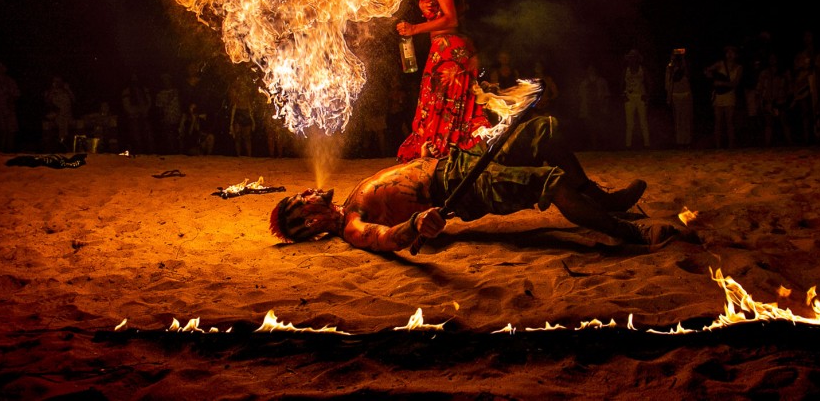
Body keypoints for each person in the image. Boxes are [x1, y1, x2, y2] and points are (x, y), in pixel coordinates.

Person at [269, 113, 675, 251]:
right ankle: (630, 233)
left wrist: (425, 156)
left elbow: (403, 179)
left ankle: (602, 201)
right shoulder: (352, 225)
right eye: (300, 201)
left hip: (461, 161)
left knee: (544, 131)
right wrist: (415, 225)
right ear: (308, 222)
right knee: (548, 183)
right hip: (463, 189)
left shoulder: (353, 195)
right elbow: (385, 239)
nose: (307, 192)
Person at [395, 0, 491, 163]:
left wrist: (413, 29)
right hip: (452, 50)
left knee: (443, 108)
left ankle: (444, 158)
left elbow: (450, 19)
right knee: (451, 110)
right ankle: (456, 157)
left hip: (448, 51)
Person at [704, 45, 742, 149]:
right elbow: (707, 70)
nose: (729, 55)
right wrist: (710, 76)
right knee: (718, 121)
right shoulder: (720, 64)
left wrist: (721, 83)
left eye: (732, 52)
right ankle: (718, 145)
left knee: (729, 121)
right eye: (727, 52)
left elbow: (735, 83)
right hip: (719, 95)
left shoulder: (738, 68)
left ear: (736, 55)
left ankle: (731, 145)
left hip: (729, 95)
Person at [576, 64, 610, 150]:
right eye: (589, 69)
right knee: (590, 128)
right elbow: (580, 97)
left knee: (601, 128)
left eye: (593, 69)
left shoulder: (602, 82)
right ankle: (593, 146)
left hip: (599, 107)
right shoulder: (584, 83)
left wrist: (605, 107)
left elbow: (606, 95)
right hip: (588, 108)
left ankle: (604, 146)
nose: (591, 71)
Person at [622, 49, 651, 149]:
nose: (632, 59)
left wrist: (647, 95)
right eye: (631, 57)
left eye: (634, 57)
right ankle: (628, 145)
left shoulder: (642, 69)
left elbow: (649, 82)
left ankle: (647, 144)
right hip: (629, 97)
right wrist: (623, 95)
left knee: (643, 121)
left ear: (637, 59)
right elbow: (620, 83)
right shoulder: (625, 70)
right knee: (630, 123)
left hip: (640, 96)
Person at [665, 49, 693, 147]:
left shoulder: (684, 66)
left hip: (685, 94)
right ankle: (679, 141)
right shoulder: (670, 67)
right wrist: (669, 97)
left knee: (686, 119)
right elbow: (668, 82)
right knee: (678, 119)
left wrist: (683, 59)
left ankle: (687, 141)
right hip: (675, 95)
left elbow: (688, 75)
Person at [228, 77, 257, 157]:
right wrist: (231, 123)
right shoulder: (236, 96)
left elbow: (250, 109)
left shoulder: (247, 96)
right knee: (238, 136)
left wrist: (253, 121)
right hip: (238, 114)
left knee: (247, 137)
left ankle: (249, 155)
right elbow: (234, 109)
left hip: (246, 115)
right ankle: (239, 155)